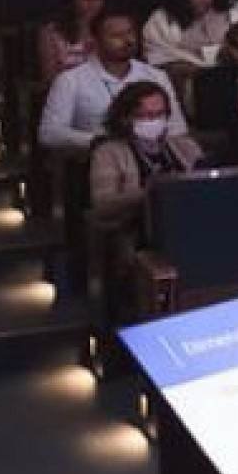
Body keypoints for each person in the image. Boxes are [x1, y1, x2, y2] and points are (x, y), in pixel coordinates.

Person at [87, 79, 205, 310]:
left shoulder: (185, 147)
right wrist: (151, 192)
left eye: (160, 114)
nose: (154, 121)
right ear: (127, 118)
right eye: (146, 115)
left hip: (192, 227)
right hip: (139, 234)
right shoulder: (109, 153)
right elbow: (102, 204)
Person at [39, 13, 177, 153]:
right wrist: (102, 142)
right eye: (116, 35)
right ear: (95, 41)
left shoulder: (157, 76)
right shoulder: (70, 80)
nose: (128, 40)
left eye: (130, 33)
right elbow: (50, 133)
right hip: (94, 161)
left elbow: (178, 128)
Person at [144, 0, 238, 83]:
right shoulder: (161, 19)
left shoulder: (236, 10)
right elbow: (158, 56)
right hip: (189, 80)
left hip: (237, 74)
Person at [36, 0, 107, 87]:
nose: (92, 5)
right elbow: (49, 77)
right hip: (65, 92)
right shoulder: (51, 31)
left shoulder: (108, 28)